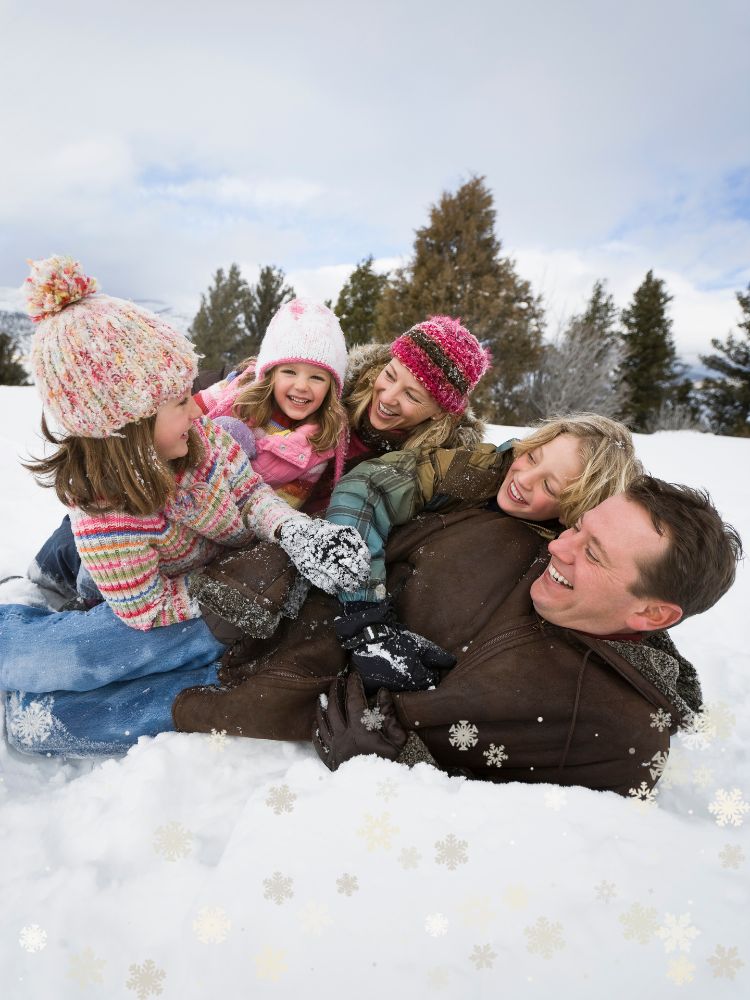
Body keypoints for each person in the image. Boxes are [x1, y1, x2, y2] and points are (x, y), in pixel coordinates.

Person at [170, 475, 741, 797]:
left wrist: (393, 764)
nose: (558, 546)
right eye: (579, 528)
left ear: (652, 614)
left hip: (249, 686)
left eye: (591, 554)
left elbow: (516, 835)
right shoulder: (531, 534)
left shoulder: (611, 728)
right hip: (247, 592)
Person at [0, 256, 369, 716]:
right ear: (126, 423)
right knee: (84, 644)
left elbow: (250, 493)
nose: (198, 410)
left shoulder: (201, 437)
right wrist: (213, 589)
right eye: (179, 401)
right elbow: (145, 609)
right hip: (143, 586)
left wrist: (292, 529)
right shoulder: (107, 518)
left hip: (192, 560)